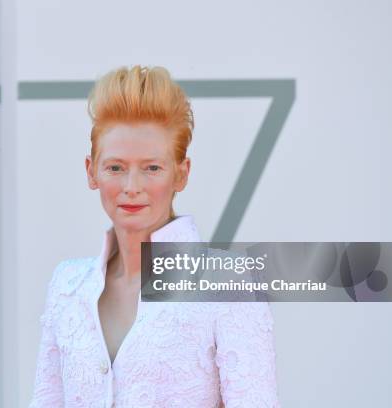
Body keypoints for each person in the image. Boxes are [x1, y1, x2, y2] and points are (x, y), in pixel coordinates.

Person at [28, 65, 280, 407]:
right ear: (92, 172)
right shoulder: (66, 286)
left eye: (152, 168)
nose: (132, 187)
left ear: (181, 174)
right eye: (116, 167)